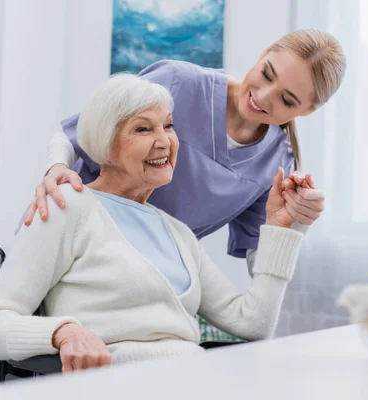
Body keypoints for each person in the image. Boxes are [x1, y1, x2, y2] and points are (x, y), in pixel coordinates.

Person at [0, 74, 310, 373]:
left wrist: (283, 229)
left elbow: (252, 322)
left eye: (169, 125)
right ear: (106, 143)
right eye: (143, 128)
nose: (164, 140)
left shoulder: (178, 233)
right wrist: (63, 332)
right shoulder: (67, 206)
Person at [24, 29, 346, 340]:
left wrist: (294, 223)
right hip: (81, 255)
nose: (262, 96)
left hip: (149, 286)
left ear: (308, 110)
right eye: (267, 73)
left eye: (287, 100)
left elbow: (259, 278)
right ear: (263, 55)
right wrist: (56, 171)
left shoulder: (275, 165)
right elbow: (75, 134)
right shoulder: (180, 83)